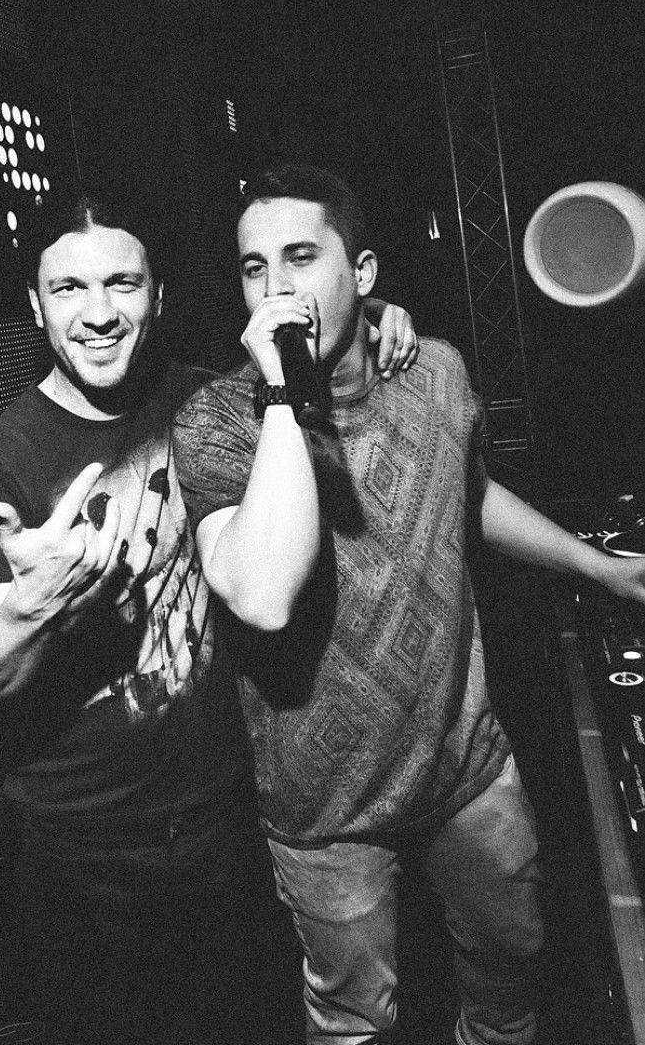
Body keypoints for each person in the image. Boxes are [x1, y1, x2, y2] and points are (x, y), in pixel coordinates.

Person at [172, 163, 645, 1045]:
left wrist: (600, 568)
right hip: (327, 810)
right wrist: (283, 393)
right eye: (253, 267)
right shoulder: (219, 421)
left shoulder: (434, 371)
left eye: (301, 257)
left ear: (363, 273)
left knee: (512, 968)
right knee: (356, 1018)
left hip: (467, 769)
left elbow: (467, 494)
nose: (276, 289)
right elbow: (261, 595)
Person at [0, 184, 417, 1044]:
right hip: (82, 852)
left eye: (121, 284)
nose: (97, 314)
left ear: (157, 298)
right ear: (36, 307)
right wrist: (30, 610)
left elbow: (306, 373)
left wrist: (373, 320)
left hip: (227, 819)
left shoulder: (204, 402)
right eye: (68, 289)